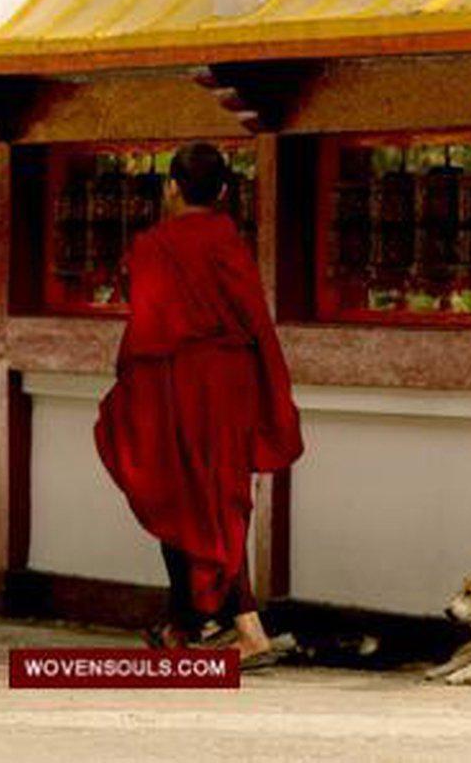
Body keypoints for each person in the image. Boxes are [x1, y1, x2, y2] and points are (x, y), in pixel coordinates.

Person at [94, 142, 303, 668]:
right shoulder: (228, 243)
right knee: (214, 501)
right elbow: (256, 321)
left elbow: (141, 316)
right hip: (225, 386)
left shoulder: (150, 246)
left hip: (168, 385)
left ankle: (246, 629)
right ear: (226, 193)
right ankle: (183, 624)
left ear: (170, 187)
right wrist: (271, 386)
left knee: (177, 496)